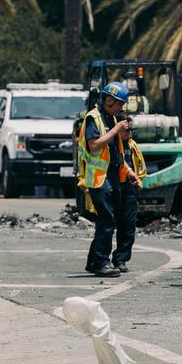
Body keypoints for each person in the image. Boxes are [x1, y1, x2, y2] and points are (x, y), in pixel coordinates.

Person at [76, 81, 146, 277]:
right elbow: (94, 146)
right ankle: (101, 263)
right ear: (108, 101)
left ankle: (93, 261)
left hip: (113, 176)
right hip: (99, 178)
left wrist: (128, 170)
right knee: (107, 220)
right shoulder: (94, 118)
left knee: (108, 220)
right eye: (119, 104)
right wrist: (115, 130)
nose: (121, 108)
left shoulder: (111, 118)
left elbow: (115, 151)